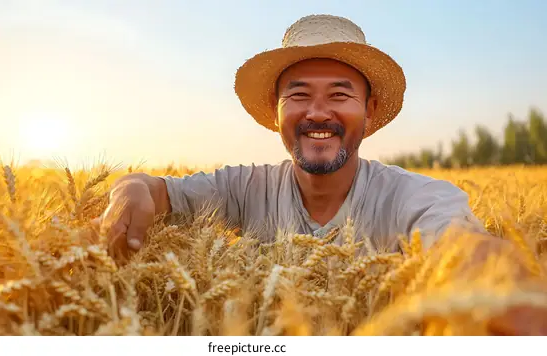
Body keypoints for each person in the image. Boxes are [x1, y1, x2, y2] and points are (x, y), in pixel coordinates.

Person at [94, 14, 547, 335]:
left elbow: (460, 247)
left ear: (369, 111)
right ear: (276, 113)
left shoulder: (417, 197)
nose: (317, 112)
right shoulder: (241, 188)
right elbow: (156, 190)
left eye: (339, 94)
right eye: (298, 95)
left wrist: (503, 290)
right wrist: (130, 188)